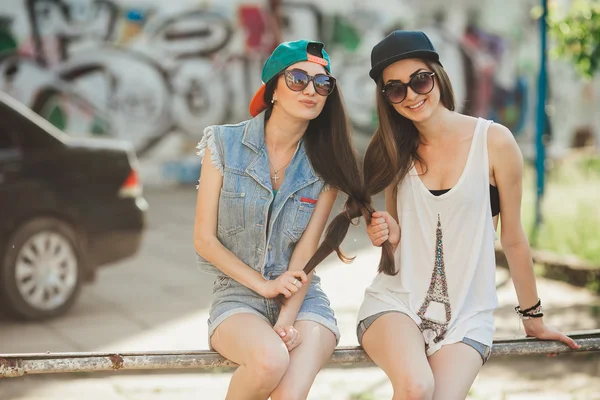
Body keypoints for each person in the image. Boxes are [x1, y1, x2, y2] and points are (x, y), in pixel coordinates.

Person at [357, 30, 580, 400]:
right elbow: (397, 242)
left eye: (419, 80)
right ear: (387, 99)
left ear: (438, 76)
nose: (411, 95)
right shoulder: (395, 151)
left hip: (467, 314)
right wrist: (388, 235)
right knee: (416, 387)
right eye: (396, 89)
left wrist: (533, 317)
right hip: (395, 303)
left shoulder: (494, 142)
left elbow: (512, 237)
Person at [193, 39, 363, 400]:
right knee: (269, 361)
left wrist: (286, 320)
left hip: (304, 300)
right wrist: (265, 286)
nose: (311, 90)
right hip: (237, 296)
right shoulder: (222, 144)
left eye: (322, 84)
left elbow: (305, 253)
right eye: (298, 78)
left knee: (288, 393)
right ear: (272, 89)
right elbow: (204, 241)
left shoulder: (325, 165)